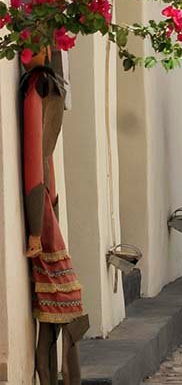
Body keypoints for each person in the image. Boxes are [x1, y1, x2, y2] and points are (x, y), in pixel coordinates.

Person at [21, 46, 88, 385]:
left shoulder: (40, 86)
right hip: (47, 210)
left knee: (62, 310)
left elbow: (39, 158)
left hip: (44, 214)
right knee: (59, 313)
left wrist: (38, 227)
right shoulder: (46, 85)